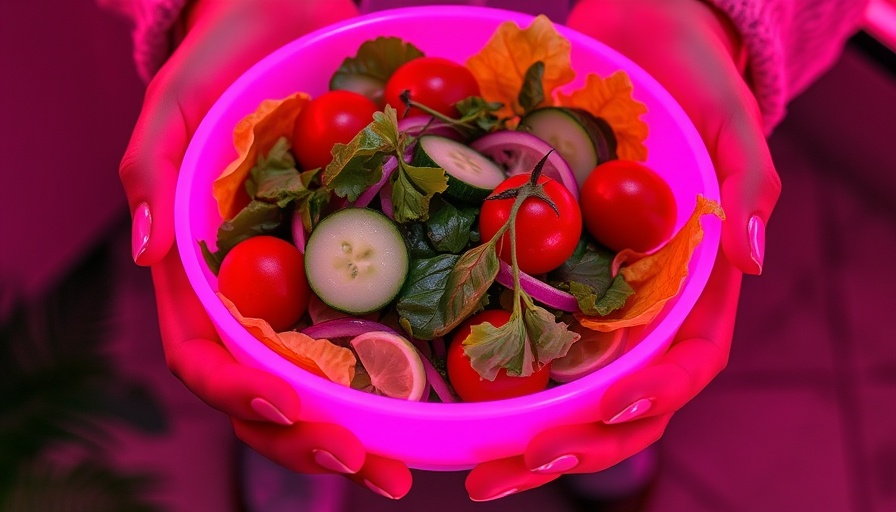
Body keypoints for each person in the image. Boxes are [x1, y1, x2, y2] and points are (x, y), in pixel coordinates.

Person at [101, 0, 869, 505]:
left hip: (597, 31)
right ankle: (294, 446)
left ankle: (605, 414)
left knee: (617, 388)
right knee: (283, 391)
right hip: (309, 35)